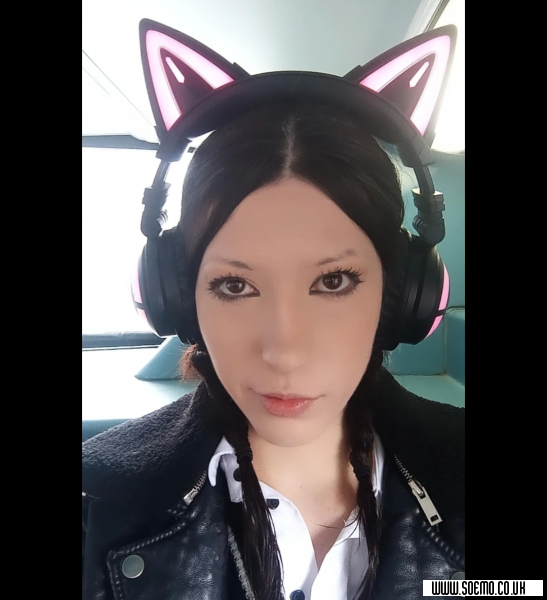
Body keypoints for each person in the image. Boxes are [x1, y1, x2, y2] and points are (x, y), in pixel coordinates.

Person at [82, 20, 464, 600]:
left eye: (333, 281)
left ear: (404, 294)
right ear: (175, 296)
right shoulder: (95, 503)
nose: (284, 351)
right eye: (235, 285)